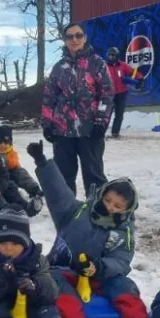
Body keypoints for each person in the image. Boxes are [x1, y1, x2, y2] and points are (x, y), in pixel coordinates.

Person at [28, 141, 150, 318]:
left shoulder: (124, 231)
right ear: (102, 194)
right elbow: (57, 192)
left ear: (126, 210)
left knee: (125, 285)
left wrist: (99, 267)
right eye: (108, 200)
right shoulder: (76, 211)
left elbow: (121, 259)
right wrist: (43, 162)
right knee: (54, 283)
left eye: (117, 206)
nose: (110, 207)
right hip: (65, 270)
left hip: (100, 277)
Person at [41, 23, 114, 195]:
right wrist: (47, 124)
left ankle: (96, 211)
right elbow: (49, 97)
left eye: (78, 35)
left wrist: (102, 121)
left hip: (90, 130)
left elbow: (107, 94)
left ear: (85, 38)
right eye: (69, 36)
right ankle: (68, 211)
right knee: (63, 179)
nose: (74, 39)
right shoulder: (58, 68)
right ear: (65, 40)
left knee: (94, 177)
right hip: (62, 132)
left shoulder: (97, 63)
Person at [0, 125, 44, 216]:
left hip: (10, 174)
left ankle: (34, 189)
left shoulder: (11, 152)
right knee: (11, 189)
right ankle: (24, 207)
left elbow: (14, 165)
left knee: (20, 172)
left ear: (10, 143)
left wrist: (7, 159)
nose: (2, 145)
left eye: (6, 143)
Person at [105, 47, 137, 139]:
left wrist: (138, 79)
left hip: (121, 93)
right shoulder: (104, 66)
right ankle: (100, 133)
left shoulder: (123, 65)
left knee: (119, 114)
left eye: (113, 55)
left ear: (117, 56)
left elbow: (133, 72)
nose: (111, 57)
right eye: (109, 55)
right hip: (109, 95)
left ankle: (115, 133)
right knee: (106, 115)